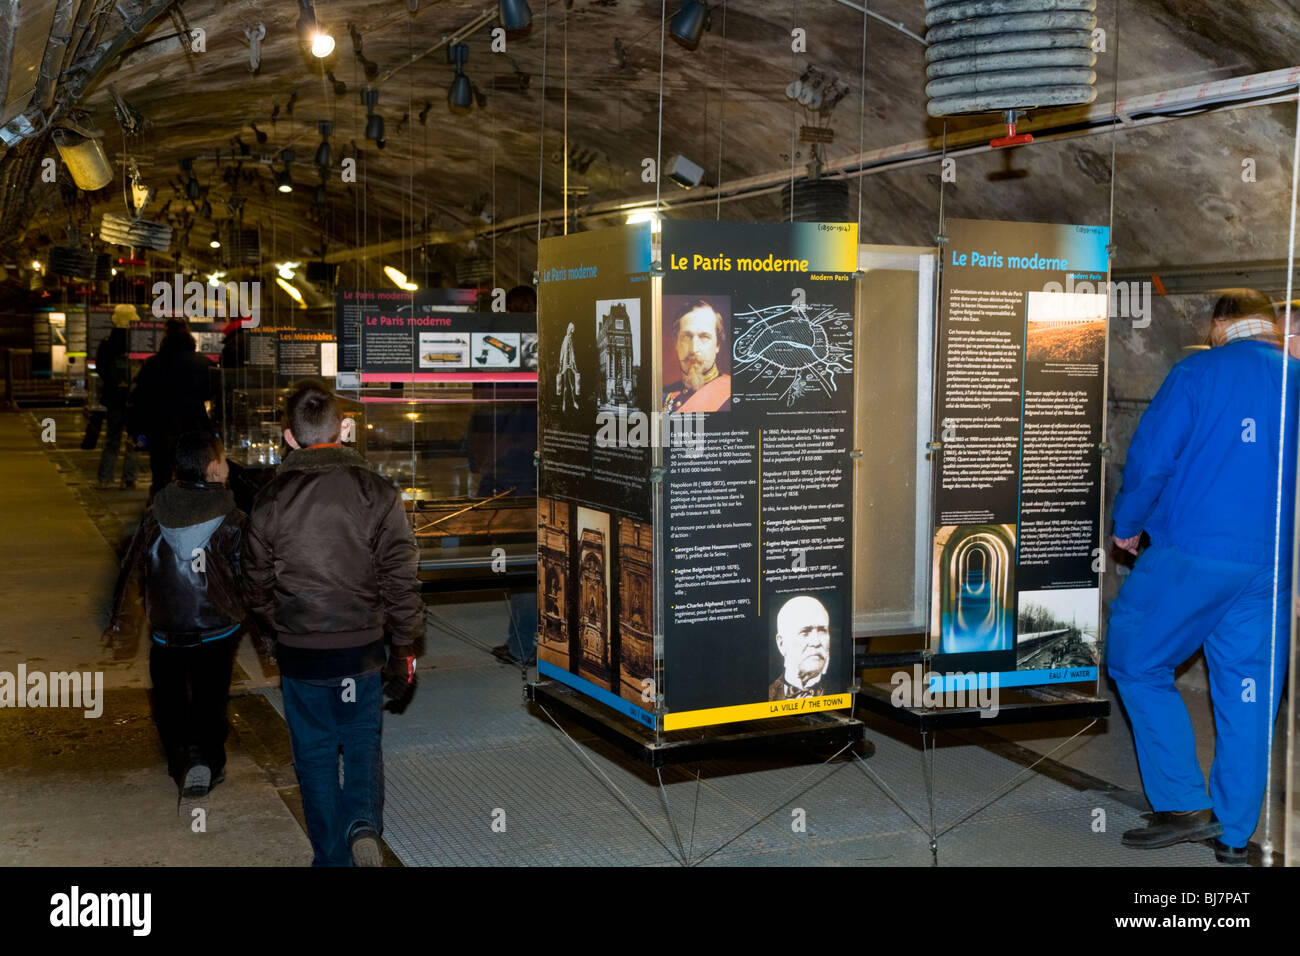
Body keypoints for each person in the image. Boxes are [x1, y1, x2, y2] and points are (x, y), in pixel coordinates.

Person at [1108, 289, 1298, 865]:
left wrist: (1128, 523)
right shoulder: (1295, 377)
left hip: (1192, 555)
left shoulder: (1198, 371)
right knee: (1249, 693)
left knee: (1135, 660)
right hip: (1269, 566)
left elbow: (1152, 456)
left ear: (1221, 325)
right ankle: (1236, 834)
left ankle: (1184, 802)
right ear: (1268, 325)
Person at [244, 381, 422, 867]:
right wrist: (404, 649)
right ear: (344, 430)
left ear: (288, 437)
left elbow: (255, 585)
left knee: (315, 753)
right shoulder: (378, 492)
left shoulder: (269, 499)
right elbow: (401, 580)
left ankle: (329, 857)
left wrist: (273, 636)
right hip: (360, 650)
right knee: (362, 737)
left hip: (301, 652)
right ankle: (362, 821)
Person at [104, 430, 245, 797]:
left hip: (166, 630)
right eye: (225, 459)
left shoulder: (154, 515)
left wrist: (122, 623)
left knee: (169, 704)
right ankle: (210, 762)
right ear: (214, 469)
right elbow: (249, 574)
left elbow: (132, 569)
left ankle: (184, 760)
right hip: (216, 630)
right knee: (211, 699)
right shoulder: (233, 520)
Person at [130, 317, 215, 497]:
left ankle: (159, 514)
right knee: (194, 476)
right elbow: (212, 393)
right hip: (194, 426)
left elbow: (139, 399)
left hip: (160, 428)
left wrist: (136, 430)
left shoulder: (153, 364)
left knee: (160, 477)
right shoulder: (203, 363)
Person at [94, 304, 140, 490]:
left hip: (114, 398)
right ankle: (129, 478)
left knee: (112, 439)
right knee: (133, 440)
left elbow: (100, 368)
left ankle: (105, 477)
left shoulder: (107, 343)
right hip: (134, 400)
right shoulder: (138, 342)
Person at [662, 299, 731, 413]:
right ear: (676, 343)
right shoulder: (663, 395)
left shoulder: (731, 394)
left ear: (717, 345)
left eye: (704, 337)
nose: (694, 349)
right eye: (687, 336)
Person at [768, 595, 832, 700]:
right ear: (781, 644)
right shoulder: (766, 696)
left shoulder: (842, 691)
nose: (816, 642)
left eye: (822, 630)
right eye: (805, 632)